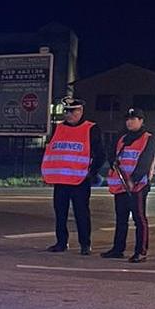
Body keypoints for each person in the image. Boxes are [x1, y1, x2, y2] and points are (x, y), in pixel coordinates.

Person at [42, 97, 105, 254]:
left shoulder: (91, 128)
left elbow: (100, 154)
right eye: (66, 111)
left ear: (80, 111)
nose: (69, 115)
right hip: (61, 180)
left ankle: (85, 244)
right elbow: (52, 151)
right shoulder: (58, 128)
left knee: (81, 213)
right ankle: (61, 243)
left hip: (80, 180)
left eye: (72, 111)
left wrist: (92, 173)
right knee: (60, 213)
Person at [102, 108, 155, 263]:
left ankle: (141, 252)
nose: (129, 122)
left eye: (133, 119)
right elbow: (111, 153)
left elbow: (145, 162)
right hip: (121, 184)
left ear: (141, 121)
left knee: (139, 219)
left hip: (138, 185)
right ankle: (118, 249)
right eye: (127, 119)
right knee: (121, 218)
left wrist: (133, 179)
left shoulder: (150, 139)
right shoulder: (122, 137)